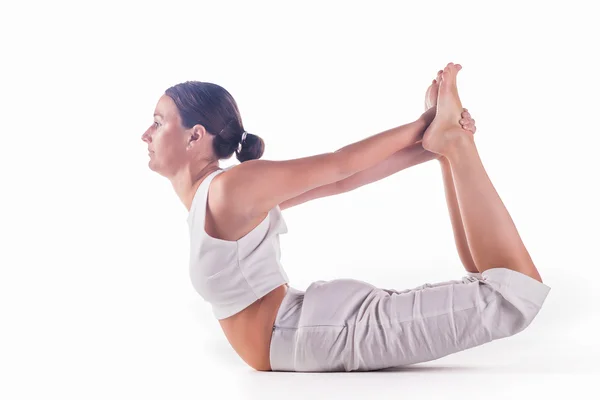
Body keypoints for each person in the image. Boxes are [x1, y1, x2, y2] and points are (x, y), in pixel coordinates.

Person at [141, 62, 550, 372]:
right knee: (491, 287)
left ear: (196, 136)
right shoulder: (211, 198)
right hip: (315, 327)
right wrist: (427, 145)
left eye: (158, 122)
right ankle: (448, 147)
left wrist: (423, 127)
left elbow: (340, 166)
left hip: (319, 331)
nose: (146, 134)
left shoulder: (229, 189)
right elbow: (341, 183)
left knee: (512, 298)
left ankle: (453, 146)